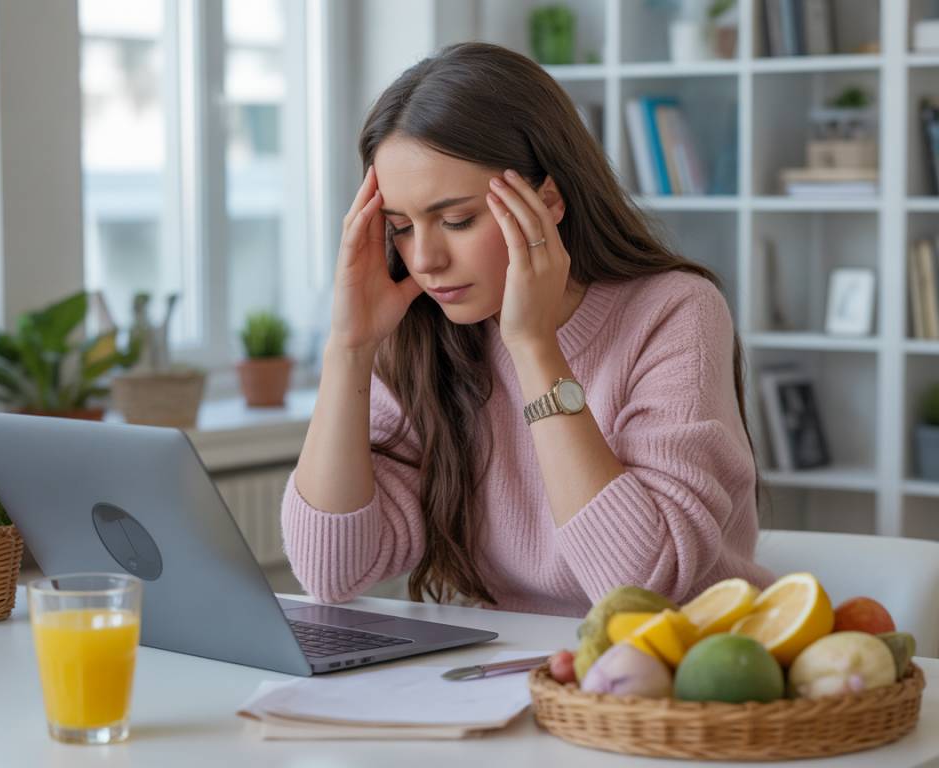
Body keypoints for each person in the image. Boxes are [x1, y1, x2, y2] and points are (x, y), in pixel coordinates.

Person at [281, 41, 774, 617]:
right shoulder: (426, 331)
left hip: (683, 677)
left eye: (457, 219)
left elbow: (637, 587)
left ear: (548, 199)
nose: (426, 259)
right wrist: (349, 347)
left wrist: (535, 347)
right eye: (401, 227)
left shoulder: (674, 311)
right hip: (513, 671)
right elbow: (332, 573)